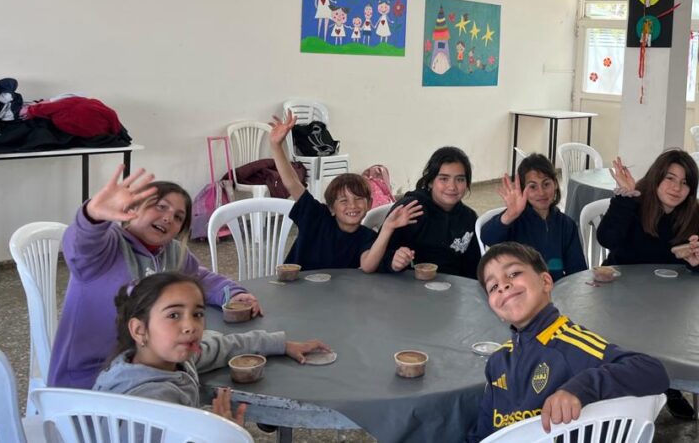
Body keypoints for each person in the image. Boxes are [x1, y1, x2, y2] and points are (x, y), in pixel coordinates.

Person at [49, 167, 260, 389]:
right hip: (86, 385)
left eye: (178, 217)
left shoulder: (174, 254)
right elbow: (80, 244)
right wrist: (92, 215)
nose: (168, 217)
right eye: (160, 207)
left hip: (145, 371)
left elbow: (202, 279)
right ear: (134, 207)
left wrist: (234, 294)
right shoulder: (105, 247)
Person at [465, 243, 669, 442]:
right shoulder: (498, 361)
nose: (503, 286)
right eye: (493, 287)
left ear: (545, 282)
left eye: (514, 274)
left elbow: (653, 371)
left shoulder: (572, 344)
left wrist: (581, 388)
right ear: (495, 310)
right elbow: (484, 431)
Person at [93, 272, 329, 426]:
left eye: (197, 314)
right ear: (139, 330)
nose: (191, 326)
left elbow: (223, 346)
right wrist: (220, 434)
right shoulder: (152, 402)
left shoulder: (164, 358)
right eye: (174, 315)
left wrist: (280, 344)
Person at [595, 149, 699, 420]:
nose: (676, 188)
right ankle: (638, 390)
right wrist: (626, 199)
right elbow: (607, 238)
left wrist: (696, 260)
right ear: (656, 177)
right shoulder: (636, 202)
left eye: (685, 182)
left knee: (676, 329)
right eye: (670, 178)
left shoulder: (694, 216)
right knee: (634, 336)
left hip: (668, 302)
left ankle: (669, 385)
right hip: (622, 297)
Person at [268, 111, 421, 271]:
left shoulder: (366, 236)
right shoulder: (316, 218)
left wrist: (388, 226)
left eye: (358, 199)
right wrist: (276, 146)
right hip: (297, 290)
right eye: (343, 200)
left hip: (336, 296)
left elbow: (368, 265)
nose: (352, 205)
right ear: (332, 208)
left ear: (369, 204)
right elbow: (292, 182)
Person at [480, 154, 586, 281]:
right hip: (520, 291)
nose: (541, 192)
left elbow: (577, 271)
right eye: (532, 186)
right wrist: (509, 215)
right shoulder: (515, 220)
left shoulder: (567, 225)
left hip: (555, 291)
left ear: (556, 184)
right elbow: (487, 237)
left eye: (546, 184)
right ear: (522, 190)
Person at [382, 146, 480, 278]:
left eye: (460, 179)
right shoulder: (410, 209)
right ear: (430, 182)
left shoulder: (469, 218)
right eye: (444, 179)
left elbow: (473, 268)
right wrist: (393, 261)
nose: (452, 187)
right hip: (408, 287)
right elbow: (377, 255)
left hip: (453, 291)